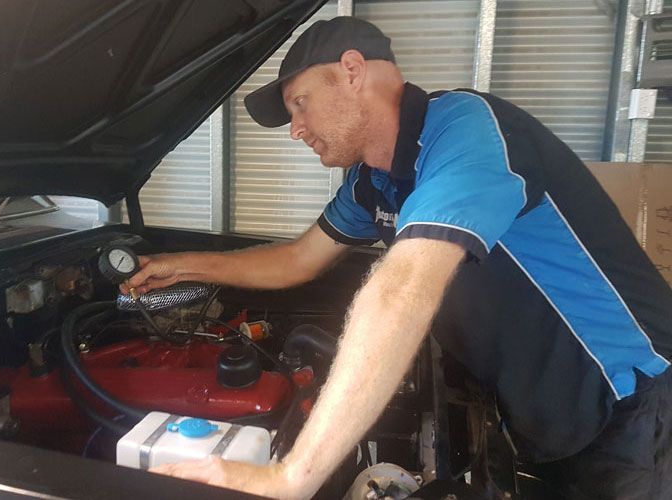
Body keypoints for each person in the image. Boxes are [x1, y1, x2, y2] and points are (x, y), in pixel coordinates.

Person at [126, 17, 672, 500]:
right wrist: (183, 265)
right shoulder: (373, 180)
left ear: (351, 70)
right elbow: (299, 260)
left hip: (630, 402)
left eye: (300, 103)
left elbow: (404, 285)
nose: (296, 129)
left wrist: (290, 476)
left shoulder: (466, 129)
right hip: (544, 411)